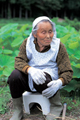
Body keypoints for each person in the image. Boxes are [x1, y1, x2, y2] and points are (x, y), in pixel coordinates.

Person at [7, 16, 73, 120]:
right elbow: (19, 61)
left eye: (50, 31)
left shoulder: (58, 46)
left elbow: (67, 71)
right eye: (43, 32)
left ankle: (56, 105)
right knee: (14, 75)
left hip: (48, 82)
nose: (48, 36)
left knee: (43, 77)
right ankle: (18, 110)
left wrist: (59, 82)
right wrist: (30, 70)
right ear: (35, 34)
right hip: (31, 77)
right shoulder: (27, 43)